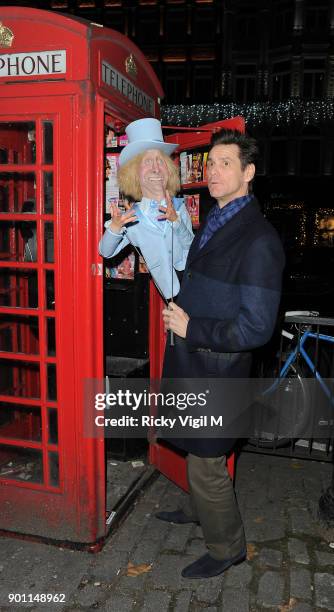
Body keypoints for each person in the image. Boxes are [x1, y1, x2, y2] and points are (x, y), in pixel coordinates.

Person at [157, 128, 285, 579]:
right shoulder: (217, 219)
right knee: (197, 448)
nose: (212, 170)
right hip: (197, 360)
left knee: (207, 460)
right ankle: (199, 510)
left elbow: (256, 327)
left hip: (219, 369)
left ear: (248, 173)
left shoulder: (259, 240)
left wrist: (193, 326)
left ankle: (228, 546)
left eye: (224, 163)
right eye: (210, 163)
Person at [99, 118, 194, 301]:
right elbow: (105, 251)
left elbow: (192, 246)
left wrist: (177, 222)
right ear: (135, 174)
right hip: (168, 290)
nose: (156, 169)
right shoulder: (132, 217)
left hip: (195, 282)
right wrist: (115, 228)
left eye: (160, 162)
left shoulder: (180, 207)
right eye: (148, 162)